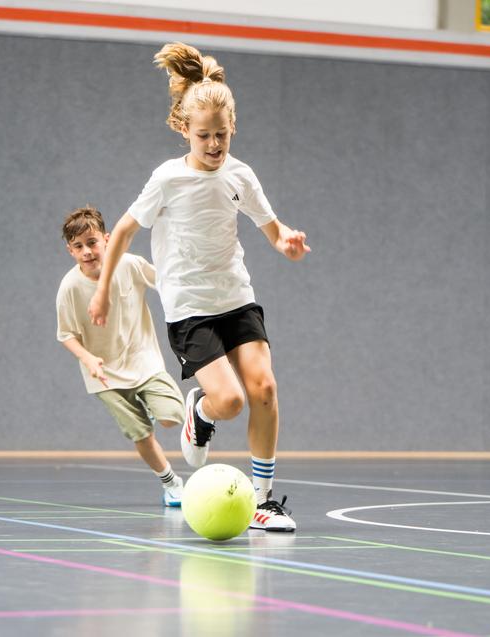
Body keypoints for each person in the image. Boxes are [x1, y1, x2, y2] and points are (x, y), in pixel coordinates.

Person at [88, 42, 311, 532]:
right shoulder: (167, 179)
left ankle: (263, 501)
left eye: (222, 135)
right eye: (204, 135)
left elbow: (273, 231)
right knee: (229, 402)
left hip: (237, 298)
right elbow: (122, 231)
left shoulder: (240, 176)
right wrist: (102, 289)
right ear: (184, 130)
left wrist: (288, 244)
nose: (214, 145)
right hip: (190, 309)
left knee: (265, 388)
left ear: (233, 129)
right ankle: (202, 412)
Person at [56, 206, 186, 507]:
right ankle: (171, 482)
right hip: (105, 375)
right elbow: (65, 334)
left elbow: (166, 283)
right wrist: (88, 359)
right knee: (141, 434)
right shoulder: (69, 288)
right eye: (78, 246)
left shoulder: (129, 265)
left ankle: (158, 406)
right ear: (70, 251)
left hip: (142, 360)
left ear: (107, 239)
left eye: (92, 242)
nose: (87, 251)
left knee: (171, 418)